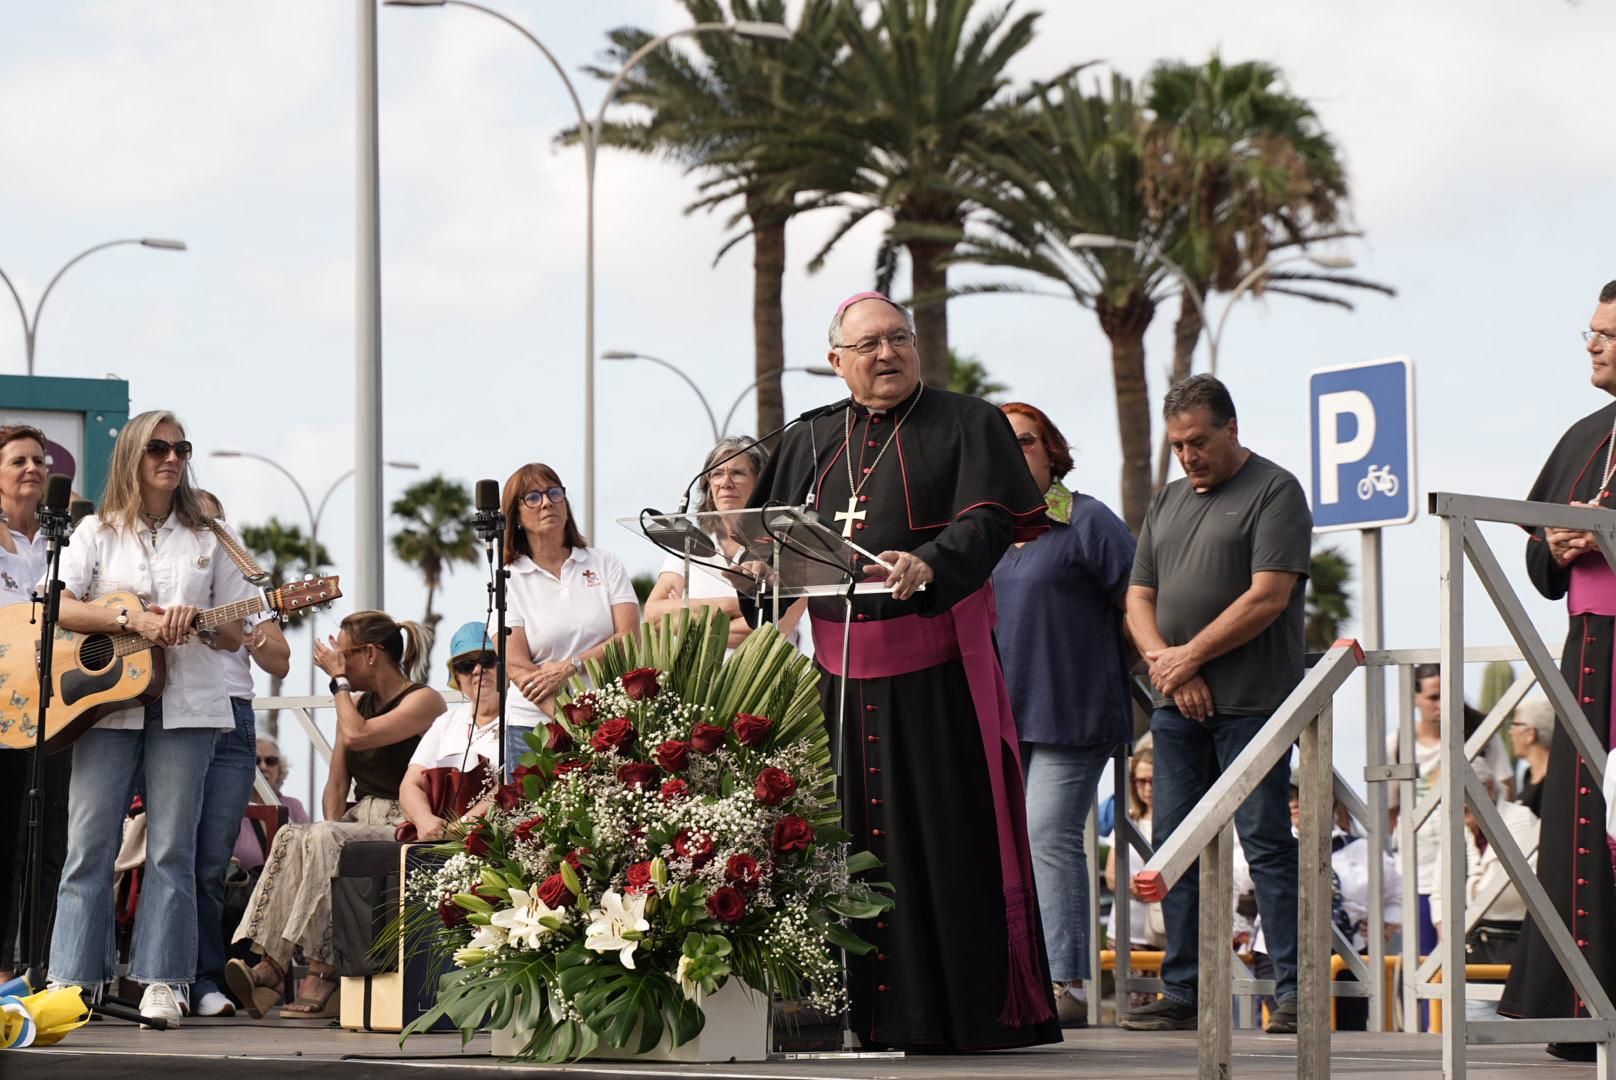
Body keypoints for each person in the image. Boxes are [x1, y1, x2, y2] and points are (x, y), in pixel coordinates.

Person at [743, 291, 1060, 1051]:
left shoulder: (966, 421)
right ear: (836, 362)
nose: (887, 355)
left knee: (940, 846)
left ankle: (949, 1017)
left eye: (899, 339)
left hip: (934, 679)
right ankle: (842, 1013)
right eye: (869, 345)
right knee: (838, 845)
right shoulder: (811, 437)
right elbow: (768, 544)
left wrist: (931, 560)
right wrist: (752, 568)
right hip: (836, 687)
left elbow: (988, 520)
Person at [46, 411, 260, 1023]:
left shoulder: (210, 534)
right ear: (133, 455)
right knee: (89, 844)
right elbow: (61, 605)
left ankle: (164, 978)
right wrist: (132, 621)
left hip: (189, 704)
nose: (172, 458)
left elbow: (236, 629)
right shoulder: (95, 530)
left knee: (172, 850)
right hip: (104, 707)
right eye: (159, 447)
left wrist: (206, 625)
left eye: (182, 448)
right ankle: (72, 979)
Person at [1120, 374, 1312, 1035]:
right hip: (1178, 703)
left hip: (1254, 705)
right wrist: (1170, 668)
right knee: (1176, 845)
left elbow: (1269, 595)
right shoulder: (1167, 502)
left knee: (1264, 840)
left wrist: (1190, 656)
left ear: (1231, 428)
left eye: (1199, 441)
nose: (1188, 456)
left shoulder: (1276, 491)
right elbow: (1137, 599)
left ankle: (1294, 991)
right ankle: (1186, 989)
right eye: (1177, 445)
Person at [1500, 281, 1616, 1060]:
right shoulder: (1585, 434)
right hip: (1590, 654)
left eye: (1607, 333)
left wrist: (1604, 538)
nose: (1592, 344)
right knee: (1575, 822)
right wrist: (1558, 544)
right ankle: (1579, 1006)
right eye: (1592, 330)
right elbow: (1537, 558)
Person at [992, 401, 1134, 1028]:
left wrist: (1123, 666)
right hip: (1005, 715)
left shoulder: (1087, 520)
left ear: (1052, 450)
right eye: (1002, 443)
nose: (1014, 451)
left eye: (1024, 440)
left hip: (1073, 712)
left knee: (1048, 836)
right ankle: (1013, 980)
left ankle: (1067, 984)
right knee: (1004, 845)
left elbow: (1140, 602)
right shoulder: (989, 531)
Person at [226, 611, 443, 1019]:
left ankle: (319, 972)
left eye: (344, 656)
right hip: (359, 816)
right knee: (296, 835)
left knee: (326, 838)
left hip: (404, 819)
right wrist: (330, 824)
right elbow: (337, 785)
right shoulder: (357, 703)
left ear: (372, 655)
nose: (336, 663)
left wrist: (338, 683)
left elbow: (361, 734)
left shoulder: (423, 700)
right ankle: (272, 963)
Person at [188, 493, 292, 1018]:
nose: (209, 526)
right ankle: (159, 974)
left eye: (215, 519)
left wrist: (251, 637)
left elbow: (281, 662)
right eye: (198, 517)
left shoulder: (247, 584)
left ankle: (203, 978)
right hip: (170, 709)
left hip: (233, 715)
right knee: (168, 854)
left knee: (211, 862)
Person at [501, 463, 639, 769]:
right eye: (533, 498)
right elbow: (515, 663)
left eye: (554, 493)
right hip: (532, 725)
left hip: (606, 720)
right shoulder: (508, 578)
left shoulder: (605, 564)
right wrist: (564, 715)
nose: (547, 502)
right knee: (530, 816)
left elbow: (629, 638)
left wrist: (571, 666)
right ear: (517, 517)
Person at [1385, 662, 1514, 958]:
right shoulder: (1398, 743)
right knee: (1424, 961)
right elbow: (1391, 810)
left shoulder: (1483, 736)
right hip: (1418, 871)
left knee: (1474, 959)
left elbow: (1507, 791)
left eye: (1447, 694)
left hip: (1474, 867)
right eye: (1433, 697)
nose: (1441, 705)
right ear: (1415, 699)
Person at [0, 424, 62, 984]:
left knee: (49, 843)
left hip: (55, 713)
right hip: (0, 711)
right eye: (19, 460)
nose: (32, 469)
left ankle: (36, 966)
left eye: (39, 460)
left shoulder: (62, 542)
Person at [644, 436, 804, 651]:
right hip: (697, 683)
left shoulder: (788, 548)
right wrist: (733, 606)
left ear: (763, 484)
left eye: (737, 473)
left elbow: (770, 632)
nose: (725, 482)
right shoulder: (688, 545)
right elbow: (653, 617)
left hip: (764, 682)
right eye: (717, 474)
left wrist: (686, 620)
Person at [1430, 774, 1538, 1020]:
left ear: (1488, 790)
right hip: (1470, 953)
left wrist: (1475, 890)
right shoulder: (1457, 826)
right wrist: (1445, 934)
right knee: (1473, 1038)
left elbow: (1518, 888)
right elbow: (1439, 890)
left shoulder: (1519, 818)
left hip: (1514, 948)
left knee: (1515, 1037)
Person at [398, 622, 503, 841]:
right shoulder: (446, 722)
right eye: (466, 665)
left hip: (497, 840)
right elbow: (410, 784)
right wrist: (424, 820)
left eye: (487, 660)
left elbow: (513, 786)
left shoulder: (520, 717)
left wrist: (459, 828)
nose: (477, 670)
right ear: (457, 676)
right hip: (441, 838)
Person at [1105, 740, 1167, 1010]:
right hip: (1128, 929)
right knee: (1134, 1006)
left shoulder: (1178, 821)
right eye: (1140, 781)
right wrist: (1133, 887)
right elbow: (1110, 876)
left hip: (1167, 929)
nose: (1147, 788)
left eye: (1153, 780)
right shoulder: (1127, 819)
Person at [233, 737, 310, 872]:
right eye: (256, 761)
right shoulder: (231, 809)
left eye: (271, 761)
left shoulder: (293, 806)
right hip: (244, 889)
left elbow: (309, 851)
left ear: (280, 768)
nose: (263, 767)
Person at [1509, 697, 1554, 817]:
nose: (1510, 732)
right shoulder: (1528, 776)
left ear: (1530, 734)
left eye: (1514, 725)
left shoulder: (1554, 781)